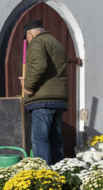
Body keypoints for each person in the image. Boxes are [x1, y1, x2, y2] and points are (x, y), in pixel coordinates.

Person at [22, 20, 68, 165]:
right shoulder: (55, 42)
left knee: (40, 139)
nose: (28, 41)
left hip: (43, 99)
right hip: (58, 98)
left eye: (27, 38)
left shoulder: (37, 42)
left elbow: (39, 65)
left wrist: (28, 85)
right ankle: (60, 174)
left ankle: (44, 178)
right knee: (55, 139)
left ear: (30, 33)